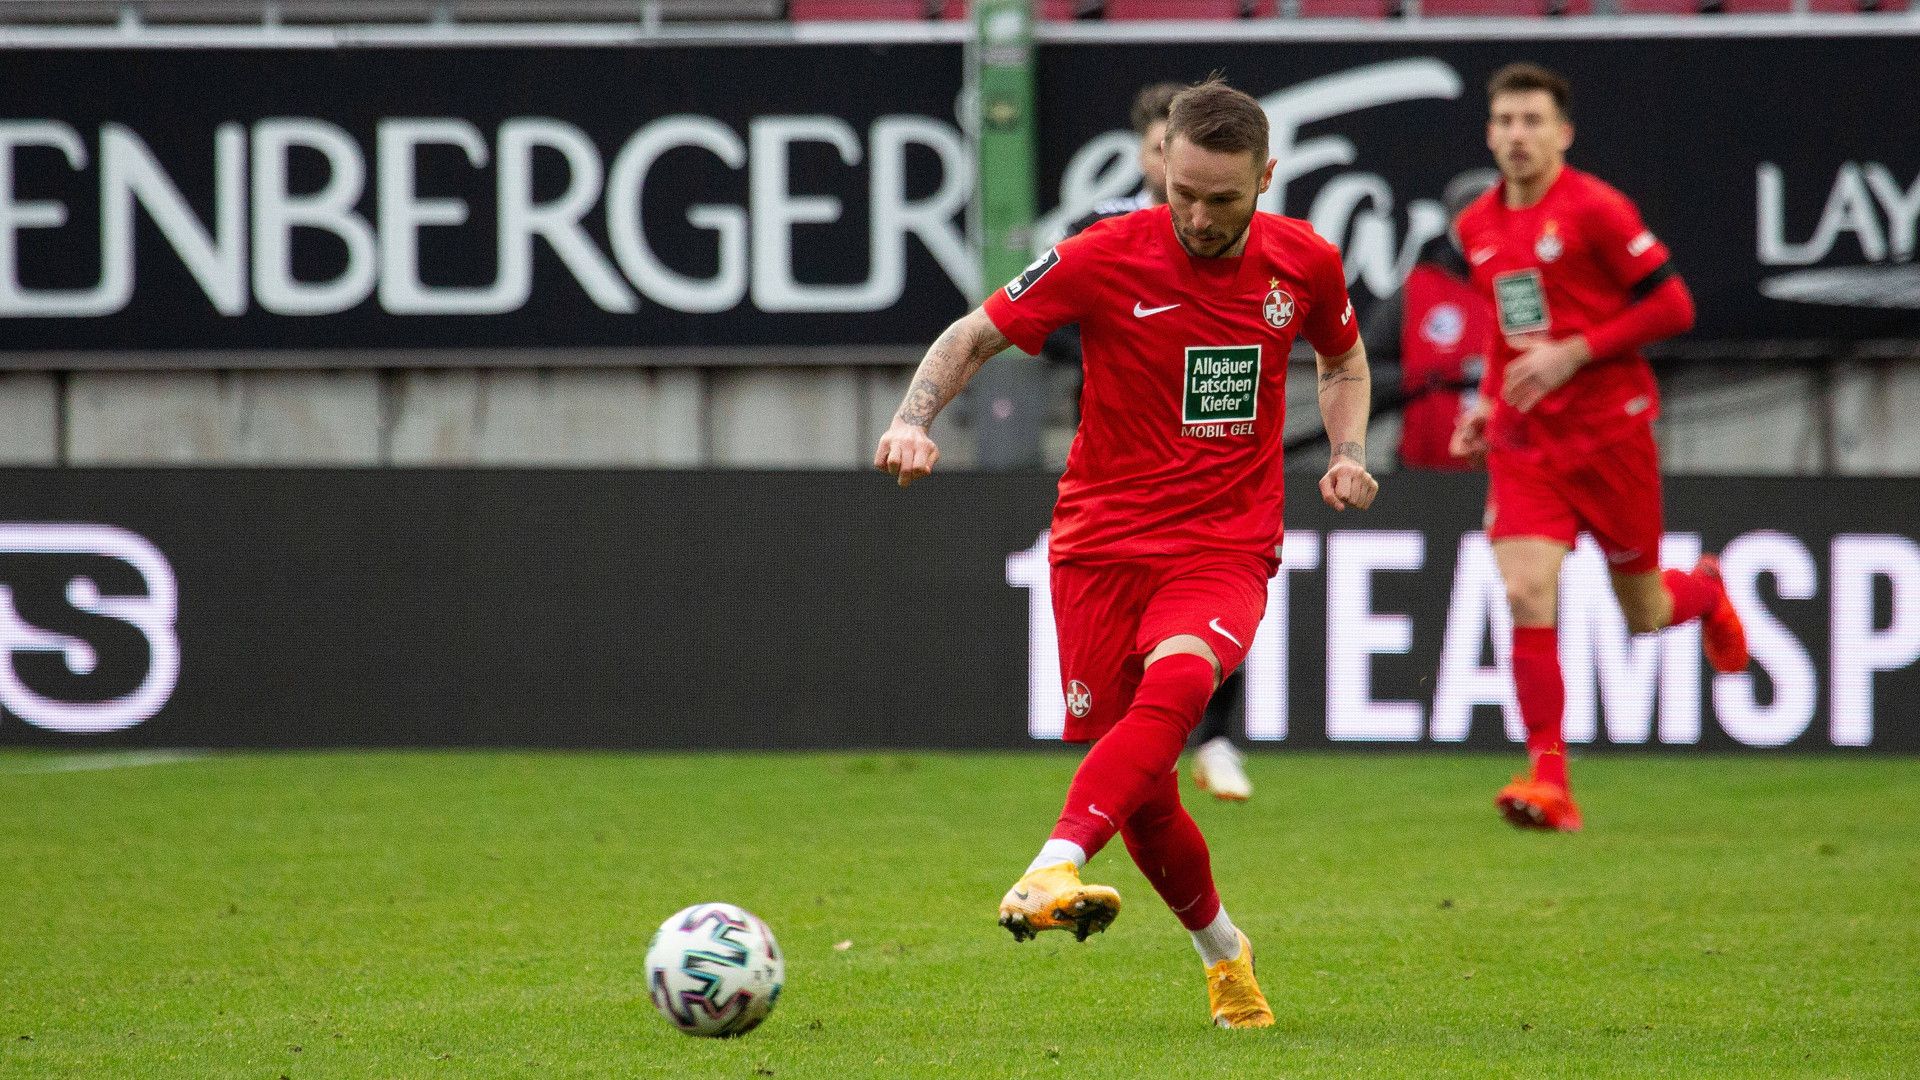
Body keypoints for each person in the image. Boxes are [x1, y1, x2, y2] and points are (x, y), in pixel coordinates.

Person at [876, 76, 1378, 1028]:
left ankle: (1052, 861)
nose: (1196, 214)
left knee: (1182, 688)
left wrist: (1348, 452)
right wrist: (913, 420)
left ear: (1266, 178)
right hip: (1098, 549)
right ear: (1162, 167)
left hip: (1223, 545)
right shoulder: (1107, 255)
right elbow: (976, 333)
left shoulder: (1304, 263)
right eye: (1180, 191)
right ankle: (1224, 952)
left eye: (1221, 199)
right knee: (1144, 799)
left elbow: (1342, 358)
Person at [1449, 63, 1749, 833]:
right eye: (1505, 120)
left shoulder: (1597, 209)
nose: (1518, 135)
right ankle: (1549, 776)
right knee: (1523, 591)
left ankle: (1706, 591)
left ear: (1563, 133)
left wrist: (1576, 350)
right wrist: (1487, 403)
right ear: (1490, 132)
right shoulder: (1476, 225)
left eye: (1532, 121)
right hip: (1527, 442)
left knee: (1644, 613)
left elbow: (1674, 305)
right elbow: (1502, 322)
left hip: (1611, 433)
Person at [1039, 80, 1260, 803]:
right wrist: (1129, 345)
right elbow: (1045, 329)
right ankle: (1139, 755)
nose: (1173, 165)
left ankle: (1218, 739)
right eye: (1161, 147)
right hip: (1121, 463)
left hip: (1212, 460)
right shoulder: (1099, 231)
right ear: (1144, 153)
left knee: (1218, 605)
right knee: (1137, 632)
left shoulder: (1239, 234)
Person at [1362, 168, 1501, 472]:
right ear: (1451, 223)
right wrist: (1426, 379)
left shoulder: (1530, 285)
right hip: (1425, 475)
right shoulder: (1417, 289)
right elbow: (1362, 369)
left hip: (1518, 474)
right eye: (1467, 212)